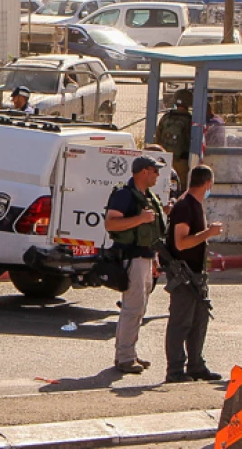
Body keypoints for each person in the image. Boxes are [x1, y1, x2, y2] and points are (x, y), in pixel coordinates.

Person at [105, 156, 168, 374]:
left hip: (145, 258)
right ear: (143, 171)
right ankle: (125, 357)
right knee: (132, 308)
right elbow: (111, 222)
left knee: (139, 308)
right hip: (132, 258)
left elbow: (150, 233)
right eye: (154, 170)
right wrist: (140, 219)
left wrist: (154, 259)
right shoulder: (124, 194)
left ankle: (129, 353)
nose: (157, 175)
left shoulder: (146, 196)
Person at [164, 165, 223, 383]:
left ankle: (196, 365)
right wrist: (208, 233)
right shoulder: (185, 206)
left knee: (199, 320)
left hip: (196, 275)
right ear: (208, 183)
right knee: (181, 323)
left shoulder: (194, 204)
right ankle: (175, 370)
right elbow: (180, 243)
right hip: (184, 275)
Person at [155, 88, 193, 190]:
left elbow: (157, 140)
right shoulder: (190, 120)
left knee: (163, 187)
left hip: (164, 159)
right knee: (181, 188)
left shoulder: (166, 117)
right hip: (182, 161)